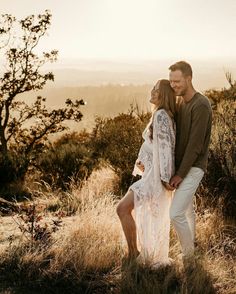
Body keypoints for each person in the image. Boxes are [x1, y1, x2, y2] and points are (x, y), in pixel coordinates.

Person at [116, 79, 176, 267]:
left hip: (156, 180)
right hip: (152, 175)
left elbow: (166, 149)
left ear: (163, 94)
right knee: (137, 213)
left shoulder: (161, 116)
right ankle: (137, 253)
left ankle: (134, 254)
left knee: (122, 208)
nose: (151, 90)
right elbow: (154, 148)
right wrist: (144, 162)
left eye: (156, 89)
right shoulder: (160, 115)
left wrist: (166, 179)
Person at [168, 61, 212, 262]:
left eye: (177, 81)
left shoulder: (200, 105)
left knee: (175, 213)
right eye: (171, 81)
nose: (174, 85)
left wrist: (179, 173)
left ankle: (189, 257)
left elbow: (195, 146)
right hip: (183, 167)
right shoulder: (180, 103)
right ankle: (192, 244)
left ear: (189, 78)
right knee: (186, 210)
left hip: (194, 167)